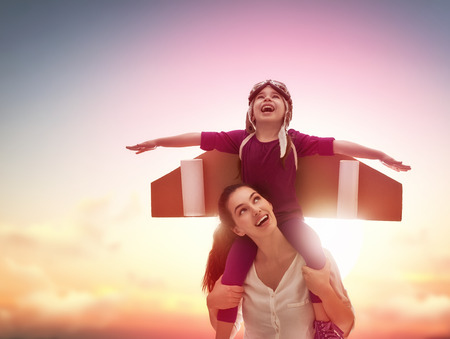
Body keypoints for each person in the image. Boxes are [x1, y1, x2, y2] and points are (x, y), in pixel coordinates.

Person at [126, 80, 410, 338]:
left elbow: (338, 146)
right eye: (260, 96)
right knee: (232, 277)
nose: (267, 99)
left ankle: (323, 327)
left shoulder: (296, 141)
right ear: (251, 110)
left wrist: (381, 156)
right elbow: (198, 137)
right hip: (254, 227)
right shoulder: (241, 140)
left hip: (289, 218)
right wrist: (158, 143)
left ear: (287, 110)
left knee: (314, 255)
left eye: (276, 96)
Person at [203, 183, 355, 338]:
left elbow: (346, 323)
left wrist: (324, 290)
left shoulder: (318, 259)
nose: (255, 210)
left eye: (256, 200)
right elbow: (229, 328)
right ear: (237, 229)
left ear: (269, 204)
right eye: (243, 210)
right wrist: (212, 304)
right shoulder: (240, 272)